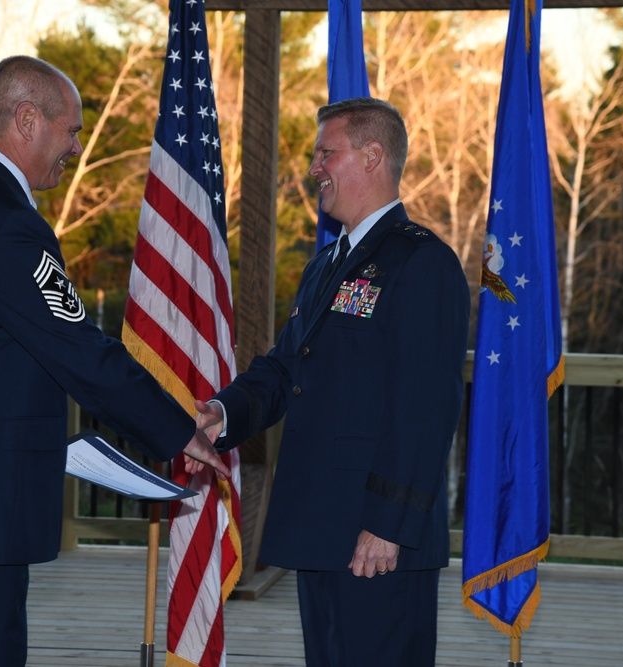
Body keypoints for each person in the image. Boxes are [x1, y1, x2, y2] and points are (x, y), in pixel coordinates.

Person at [0, 55, 229, 667]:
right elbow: (80, 350)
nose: (73, 146)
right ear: (27, 118)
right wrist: (175, 428)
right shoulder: (8, 224)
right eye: (71, 130)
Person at [196, 97, 470, 666]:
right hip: (321, 526)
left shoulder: (422, 263)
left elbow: (426, 405)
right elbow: (284, 368)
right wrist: (222, 414)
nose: (314, 167)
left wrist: (388, 524)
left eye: (327, 153)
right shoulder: (325, 264)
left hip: (376, 538)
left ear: (372, 157)